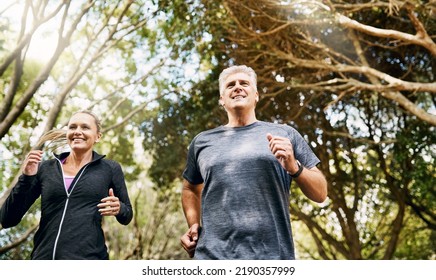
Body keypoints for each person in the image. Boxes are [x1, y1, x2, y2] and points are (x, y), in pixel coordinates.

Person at [180, 65, 327, 260]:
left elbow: (321, 193)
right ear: (222, 99)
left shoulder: (285, 134)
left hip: (272, 257)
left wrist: (294, 167)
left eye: (244, 83)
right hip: (212, 257)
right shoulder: (201, 142)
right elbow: (190, 189)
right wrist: (193, 225)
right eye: (230, 85)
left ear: (256, 95)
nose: (238, 87)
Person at [0, 110, 133, 259]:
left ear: (98, 137)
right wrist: (26, 178)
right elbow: (7, 218)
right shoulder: (46, 168)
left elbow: (127, 215)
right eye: (72, 127)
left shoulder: (110, 169)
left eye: (85, 127)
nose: (77, 131)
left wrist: (120, 208)